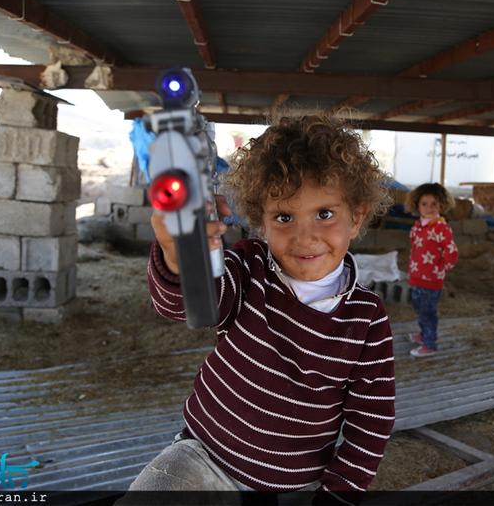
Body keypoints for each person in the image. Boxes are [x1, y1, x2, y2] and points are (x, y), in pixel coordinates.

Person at [133, 115, 396, 505]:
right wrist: (178, 255)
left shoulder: (367, 320)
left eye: (325, 214)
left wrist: (337, 495)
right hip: (202, 459)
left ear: (357, 217)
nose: (304, 237)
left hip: (289, 488)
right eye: (284, 217)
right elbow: (190, 306)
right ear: (260, 222)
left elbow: (369, 425)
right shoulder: (249, 267)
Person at [404, 183, 459, 357]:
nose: (429, 208)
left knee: (428, 312)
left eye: (434, 204)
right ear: (417, 205)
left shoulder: (441, 227)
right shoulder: (418, 226)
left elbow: (452, 251)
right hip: (417, 277)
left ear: (442, 205)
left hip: (431, 280)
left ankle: (430, 345)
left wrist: (443, 268)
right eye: (424, 204)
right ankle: (424, 334)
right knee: (420, 309)